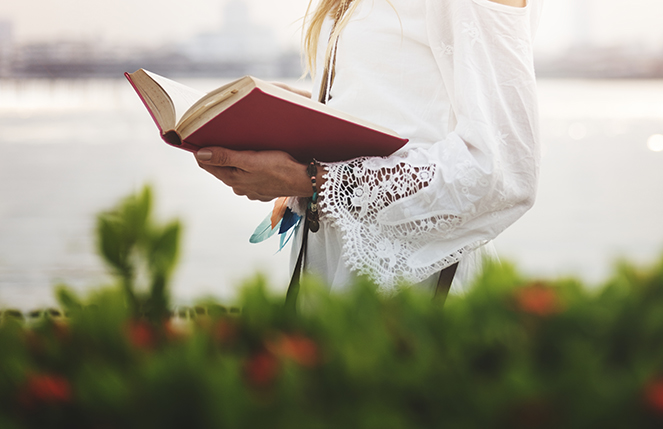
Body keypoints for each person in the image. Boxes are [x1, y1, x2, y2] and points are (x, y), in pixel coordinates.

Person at [194, 0, 543, 295]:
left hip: (416, 278)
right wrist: (286, 114)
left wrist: (312, 181)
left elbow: (503, 168)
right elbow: (391, 101)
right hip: (327, 258)